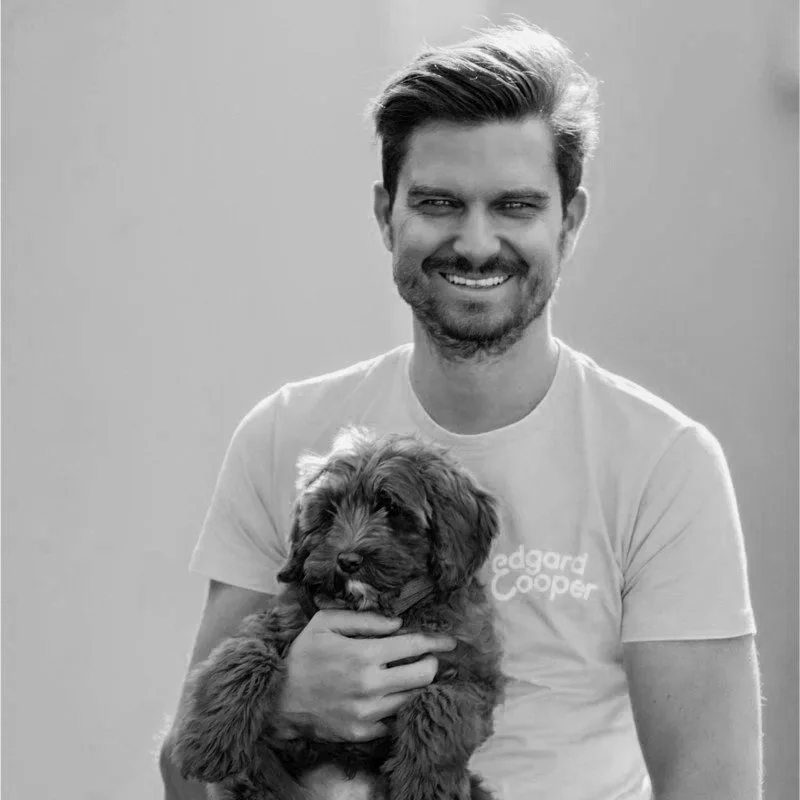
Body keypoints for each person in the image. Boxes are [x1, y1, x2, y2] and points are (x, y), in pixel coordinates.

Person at [160, 19, 762, 800]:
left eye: (515, 205)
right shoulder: (283, 438)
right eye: (440, 202)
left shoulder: (663, 463)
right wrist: (283, 702)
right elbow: (185, 772)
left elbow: (713, 786)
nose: (476, 243)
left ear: (569, 221)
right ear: (386, 214)